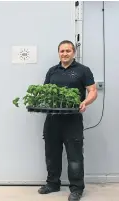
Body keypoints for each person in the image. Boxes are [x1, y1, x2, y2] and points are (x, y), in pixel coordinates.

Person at [38, 40, 98, 201]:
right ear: (59, 53)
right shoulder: (52, 71)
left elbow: (92, 91)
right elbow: (45, 91)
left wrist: (85, 102)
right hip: (52, 119)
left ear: (74, 53)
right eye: (62, 51)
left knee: (75, 156)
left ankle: (77, 188)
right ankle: (52, 184)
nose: (64, 53)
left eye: (68, 51)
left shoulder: (83, 71)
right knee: (52, 153)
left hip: (72, 120)